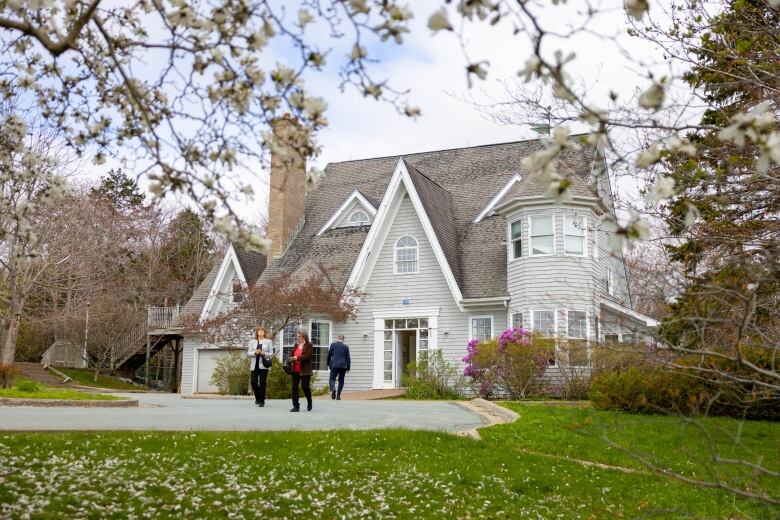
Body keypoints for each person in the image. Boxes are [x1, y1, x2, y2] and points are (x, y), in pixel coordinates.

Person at [248, 326, 272, 407]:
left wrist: (263, 353)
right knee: (253, 382)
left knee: (262, 384)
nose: (261, 331)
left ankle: (262, 401)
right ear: (257, 332)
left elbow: (271, 353)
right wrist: (255, 352)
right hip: (254, 365)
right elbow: (249, 353)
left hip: (264, 365)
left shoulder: (268, 341)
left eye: (262, 330)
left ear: (264, 332)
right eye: (259, 330)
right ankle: (258, 397)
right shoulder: (252, 341)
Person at [289, 329, 313, 412]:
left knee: (305, 387)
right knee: (294, 388)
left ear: (304, 337)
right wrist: (291, 358)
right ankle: (296, 406)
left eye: (299, 336)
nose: (298, 338)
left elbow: (308, 356)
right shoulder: (296, 345)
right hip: (295, 370)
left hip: (305, 371)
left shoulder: (309, 345)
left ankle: (309, 401)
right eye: (297, 336)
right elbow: (291, 353)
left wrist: (298, 357)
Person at [327, 334, 351, 400]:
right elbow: (348, 358)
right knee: (341, 380)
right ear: (343, 339)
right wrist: (348, 367)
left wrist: (328, 363)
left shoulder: (333, 345)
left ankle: (333, 389)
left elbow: (329, 355)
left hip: (334, 365)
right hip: (343, 366)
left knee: (332, 379)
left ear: (337, 338)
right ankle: (338, 396)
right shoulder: (346, 347)